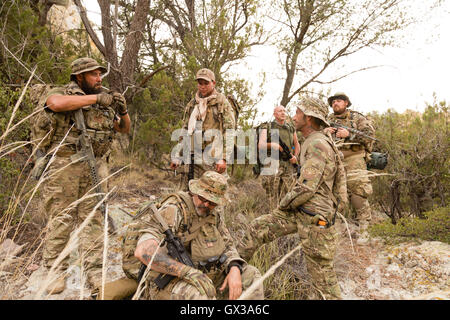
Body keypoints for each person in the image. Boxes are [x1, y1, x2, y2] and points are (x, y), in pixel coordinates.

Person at [238, 97, 347, 300]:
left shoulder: (317, 144)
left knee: (323, 279)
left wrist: (282, 206)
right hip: (304, 211)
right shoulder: (315, 141)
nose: (293, 117)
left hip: (314, 217)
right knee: (257, 228)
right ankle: (231, 274)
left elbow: (306, 188)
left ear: (309, 118)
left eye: (297, 113)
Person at [40, 57, 130, 294]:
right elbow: (55, 104)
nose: (99, 78)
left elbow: (123, 128)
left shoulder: (104, 99)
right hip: (66, 165)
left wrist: (123, 109)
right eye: (93, 74)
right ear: (79, 77)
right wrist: (95, 98)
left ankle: (94, 271)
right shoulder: (63, 92)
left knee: (95, 219)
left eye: (100, 74)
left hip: (96, 166)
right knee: (61, 217)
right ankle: (55, 271)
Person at [134, 171, 263, 300]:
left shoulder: (214, 214)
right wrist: (186, 272)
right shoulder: (174, 209)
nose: (206, 205)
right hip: (170, 280)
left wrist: (234, 266)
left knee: (251, 275)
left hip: (204, 275)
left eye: (212, 202)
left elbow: (227, 244)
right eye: (203, 198)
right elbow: (143, 251)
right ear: (194, 192)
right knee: (198, 295)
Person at [170, 68, 236, 190]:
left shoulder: (221, 103)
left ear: (213, 83)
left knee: (214, 198)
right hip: (192, 158)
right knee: (188, 195)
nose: (203, 87)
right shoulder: (192, 104)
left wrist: (224, 158)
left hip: (213, 160)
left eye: (206, 83)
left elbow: (230, 132)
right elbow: (185, 131)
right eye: (200, 83)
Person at [324, 92, 375, 231]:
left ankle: (364, 228)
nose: (335, 103)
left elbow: (369, 136)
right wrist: (324, 132)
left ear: (346, 103)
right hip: (333, 159)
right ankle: (335, 228)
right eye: (333, 101)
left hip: (354, 158)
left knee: (358, 191)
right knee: (331, 193)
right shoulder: (326, 120)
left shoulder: (357, 118)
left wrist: (350, 135)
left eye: (339, 101)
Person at [258, 105, 300, 208]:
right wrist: (273, 145)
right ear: (274, 114)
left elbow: (297, 144)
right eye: (280, 111)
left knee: (288, 193)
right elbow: (261, 145)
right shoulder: (267, 126)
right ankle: (272, 217)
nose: (283, 113)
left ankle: (285, 218)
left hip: (288, 164)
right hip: (272, 163)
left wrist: (295, 157)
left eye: (284, 111)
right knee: (272, 194)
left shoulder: (290, 128)